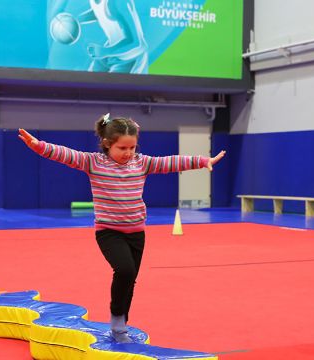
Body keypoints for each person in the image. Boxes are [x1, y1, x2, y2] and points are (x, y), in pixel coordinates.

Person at [18, 114, 225, 343]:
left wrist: (201, 161)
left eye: (132, 147)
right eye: (122, 148)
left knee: (130, 280)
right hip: (109, 231)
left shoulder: (141, 163)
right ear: (108, 144)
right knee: (125, 271)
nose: (128, 153)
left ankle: (121, 324)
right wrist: (38, 146)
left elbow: (171, 162)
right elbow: (66, 154)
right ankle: (117, 322)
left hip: (137, 232)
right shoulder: (93, 162)